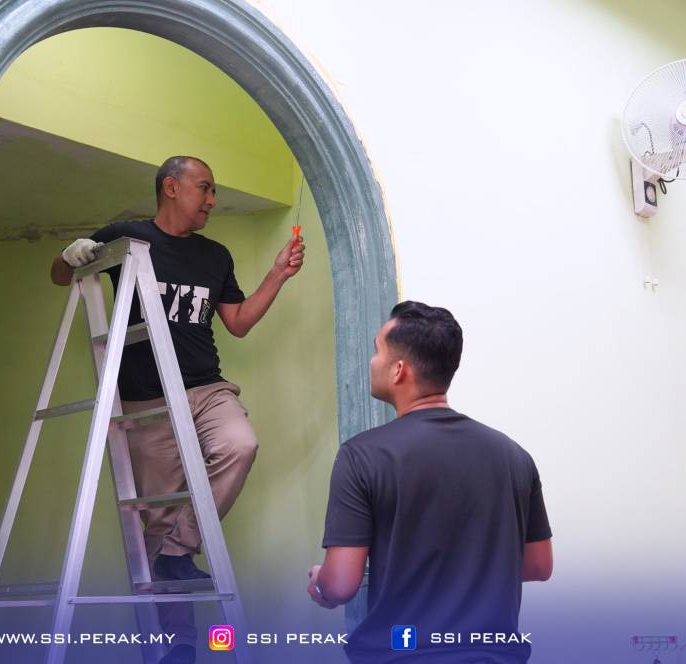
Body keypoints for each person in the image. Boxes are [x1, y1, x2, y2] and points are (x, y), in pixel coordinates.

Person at [51, 155, 305, 663]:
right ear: (171, 187)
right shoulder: (128, 237)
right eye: (204, 188)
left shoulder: (215, 255)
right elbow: (62, 275)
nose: (212, 200)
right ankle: (178, 644)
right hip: (147, 400)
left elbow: (238, 323)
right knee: (156, 520)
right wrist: (69, 253)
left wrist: (278, 273)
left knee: (240, 445)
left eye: (213, 191)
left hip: (205, 387)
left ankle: (178, 549)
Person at [307, 301, 552, 663]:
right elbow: (538, 566)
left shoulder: (362, 456)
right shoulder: (514, 456)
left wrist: (321, 583)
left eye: (377, 351)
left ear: (399, 370)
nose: (372, 361)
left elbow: (340, 584)